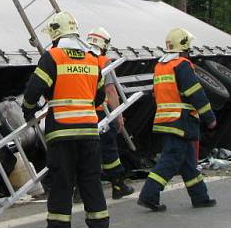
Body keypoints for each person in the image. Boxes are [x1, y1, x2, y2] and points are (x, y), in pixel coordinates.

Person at [22, 11, 109, 228]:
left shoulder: (53, 56)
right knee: (90, 180)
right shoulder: (91, 57)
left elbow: (34, 89)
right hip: (90, 131)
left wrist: (28, 110)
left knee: (62, 182)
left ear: (55, 33)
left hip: (61, 132)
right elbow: (99, 96)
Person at [137, 27, 217, 212]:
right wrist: (209, 118)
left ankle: (200, 197)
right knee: (170, 161)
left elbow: (155, 93)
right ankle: (149, 195)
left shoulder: (160, 66)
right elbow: (196, 94)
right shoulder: (182, 65)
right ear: (185, 45)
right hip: (181, 121)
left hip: (165, 120)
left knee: (188, 163)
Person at [86, 27, 134, 199]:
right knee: (109, 150)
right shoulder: (102, 61)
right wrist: (118, 116)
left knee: (86, 151)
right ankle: (118, 185)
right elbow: (111, 91)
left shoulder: (81, 58)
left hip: (82, 114)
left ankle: (79, 189)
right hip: (101, 113)